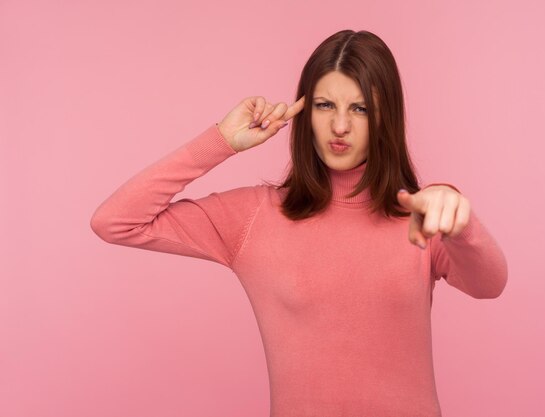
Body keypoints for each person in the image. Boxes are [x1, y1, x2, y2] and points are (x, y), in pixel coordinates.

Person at [90, 29, 507, 417]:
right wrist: (221, 140)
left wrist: (460, 222)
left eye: (359, 108)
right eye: (325, 105)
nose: (339, 126)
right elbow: (116, 221)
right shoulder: (255, 216)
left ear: (386, 117)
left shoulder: (418, 215)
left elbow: (490, 285)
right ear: (304, 111)